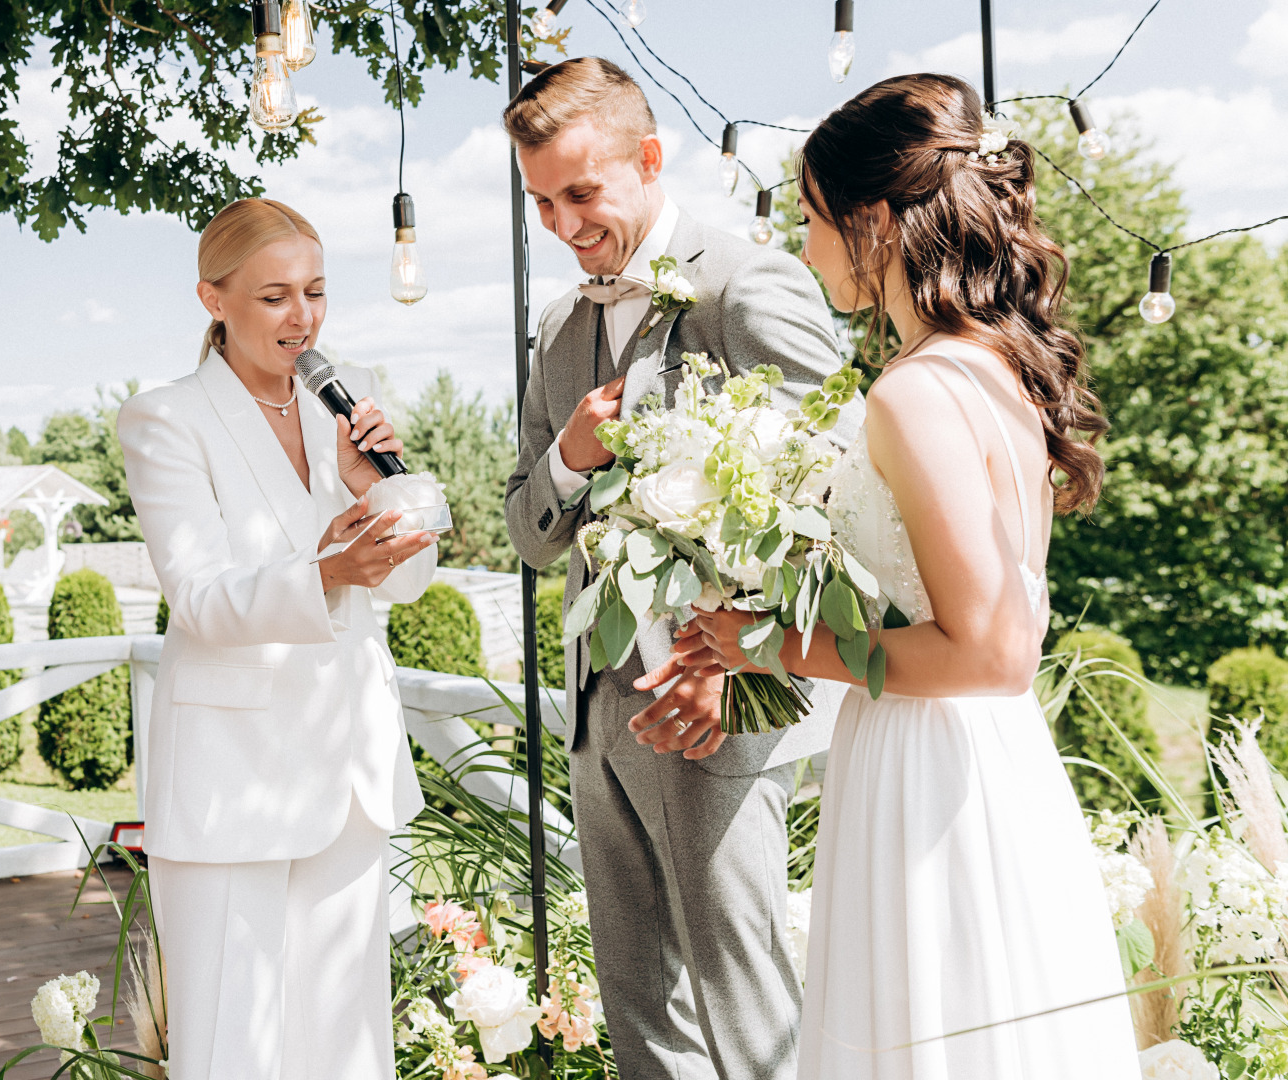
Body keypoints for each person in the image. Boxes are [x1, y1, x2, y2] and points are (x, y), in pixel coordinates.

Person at [664, 74, 1140, 1077]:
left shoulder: (916, 392)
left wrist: (768, 643)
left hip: (931, 771)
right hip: (990, 758)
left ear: (872, 219)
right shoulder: (993, 366)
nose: (801, 247)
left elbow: (992, 650)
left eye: (810, 219)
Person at [502, 58, 862, 1079]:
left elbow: (839, 493)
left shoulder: (747, 286)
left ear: (649, 159)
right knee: (640, 1022)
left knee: (749, 1021)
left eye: (582, 193)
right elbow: (531, 538)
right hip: (598, 713)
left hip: (720, 700)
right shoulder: (559, 332)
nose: (564, 224)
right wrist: (571, 453)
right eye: (541, 202)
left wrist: (739, 658)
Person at [117, 197, 438, 1079]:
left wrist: (377, 489)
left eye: (316, 291)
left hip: (350, 776)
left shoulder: (348, 399)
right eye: (273, 296)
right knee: (233, 1047)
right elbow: (202, 599)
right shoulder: (165, 420)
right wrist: (327, 571)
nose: (303, 317)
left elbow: (408, 577)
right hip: (233, 779)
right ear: (211, 300)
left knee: (346, 1041)